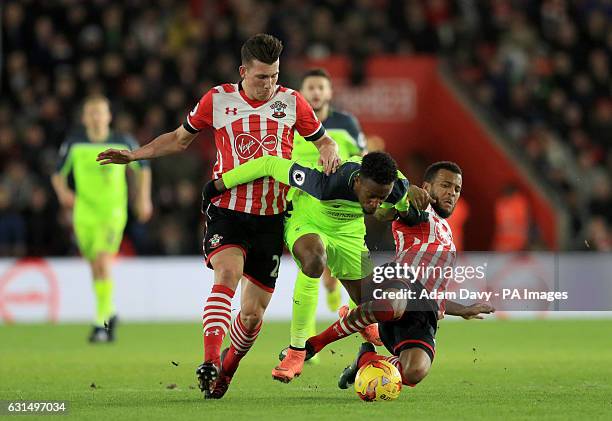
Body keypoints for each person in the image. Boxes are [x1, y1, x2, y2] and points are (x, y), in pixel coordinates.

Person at [96, 33, 341, 399]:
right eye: (261, 77)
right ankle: (210, 360)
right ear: (243, 71)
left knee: (252, 316)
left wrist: (329, 150)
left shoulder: (291, 102)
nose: (269, 84)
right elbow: (179, 139)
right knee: (228, 272)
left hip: (271, 218)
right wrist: (135, 155)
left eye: (274, 76)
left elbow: (324, 139)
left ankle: (225, 370)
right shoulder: (218, 99)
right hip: (227, 209)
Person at [206, 151, 433, 383]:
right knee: (314, 262)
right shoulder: (326, 182)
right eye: (371, 196)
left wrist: (407, 208)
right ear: (357, 181)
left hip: (349, 233)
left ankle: (353, 320)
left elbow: (410, 212)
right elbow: (269, 164)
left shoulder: (395, 188)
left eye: (380, 197)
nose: (375, 203)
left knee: (369, 302)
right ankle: (296, 351)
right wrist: (218, 185)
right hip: (307, 221)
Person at [296, 161, 494, 389]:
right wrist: (401, 201)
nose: (452, 192)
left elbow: (431, 295)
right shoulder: (419, 208)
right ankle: (316, 343)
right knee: (392, 304)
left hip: (421, 312)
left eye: (457, 189)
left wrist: (462, 310)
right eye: (446, 185)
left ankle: (366, 360)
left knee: (414, 372)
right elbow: (387, 212)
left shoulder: (447, 235)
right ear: (427, 187)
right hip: (398, 281)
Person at [51, 95, 152, 343]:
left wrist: (143, 199)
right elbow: (57, 174)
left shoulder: (123, 141)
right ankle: (110, 312)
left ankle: (100, 324)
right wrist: (64, 193)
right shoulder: (74, 143)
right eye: (91, 113)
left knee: (102, 260)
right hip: (83, 213)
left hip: (112, 212)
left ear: (108, 116)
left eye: (100, 112)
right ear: (85, 117)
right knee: (94, 265)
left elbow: (143, 169)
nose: (96, 117)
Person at [289, 68, 369, 364]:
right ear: (302, 92)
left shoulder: (346, 124)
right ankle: (304, 346)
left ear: (330, 93)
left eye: (321, 87)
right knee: (311, 265)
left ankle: (366, 333)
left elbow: (366, 161)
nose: (316, 92)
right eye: (311, 87)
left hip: (344, 212)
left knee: (358, 275)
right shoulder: (292, 125)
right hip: (305, 210)